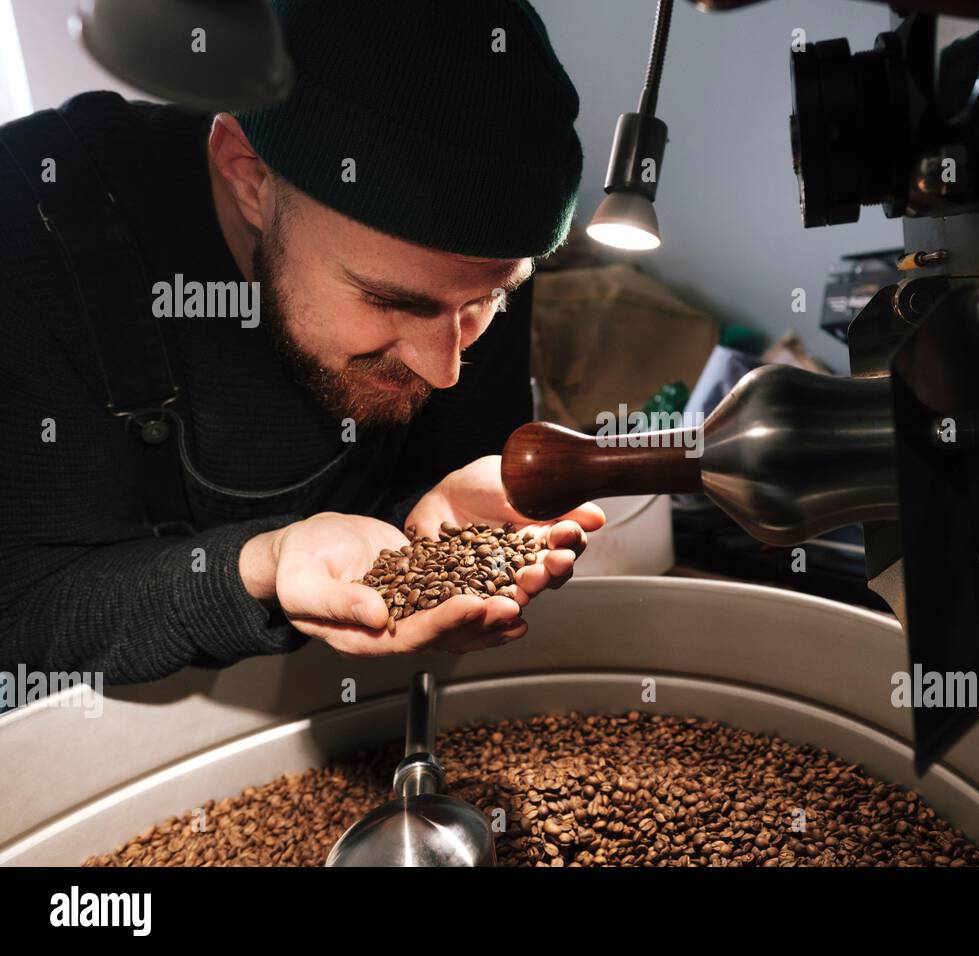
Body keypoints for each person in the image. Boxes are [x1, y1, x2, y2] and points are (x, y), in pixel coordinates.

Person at [0, 0, 603, 685]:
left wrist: (423, 522)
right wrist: (264, 562)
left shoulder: (460, 269)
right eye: (390, 301)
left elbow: (433, 501)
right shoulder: (28, 228)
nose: (445, 369)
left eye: (487, 301)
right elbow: (18, 610)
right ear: (248, 177)